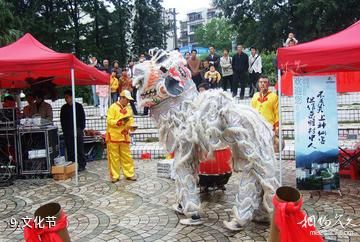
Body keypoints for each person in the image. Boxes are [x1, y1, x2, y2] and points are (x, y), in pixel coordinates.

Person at [106, 90, 137, 183]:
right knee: (114, 157)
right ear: (122, 98)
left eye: (128, 100)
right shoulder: (113, 107)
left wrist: (132, 126)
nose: (128, 102)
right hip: (114, 136)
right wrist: (118, 122)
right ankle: (115, 175)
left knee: (127, 156)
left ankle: (129, 174)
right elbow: (109, 120)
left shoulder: (128, 108)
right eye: (127, 99)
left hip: (124, 136)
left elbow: (130, 119)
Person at [60, 90, 87, 172]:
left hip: (78, 130)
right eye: (65, 98)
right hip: (68, 131)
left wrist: (80, 128)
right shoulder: (64, 108)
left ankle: (82, 164)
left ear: (71, 97)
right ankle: (72, 164)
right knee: (70, 149)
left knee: (79, 149)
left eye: (67, 97)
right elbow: (62, 120)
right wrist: (65, 131)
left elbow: (82, 118)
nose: (66, 99)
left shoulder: (78, 106)